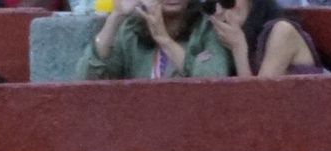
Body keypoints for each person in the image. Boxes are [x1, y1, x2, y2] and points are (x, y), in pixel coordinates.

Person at [78, 0, 232, 81]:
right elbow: (85, 81)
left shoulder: (208, 28)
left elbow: (213, 80)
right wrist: (116, 17)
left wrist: (164, 40)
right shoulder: (130, 29)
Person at [205, 0, 322, 78]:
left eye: (227, 1)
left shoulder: (282, 31)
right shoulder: (229, 39)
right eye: (210, 5)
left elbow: (258, 102)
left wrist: (238, 48)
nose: (219, 10)